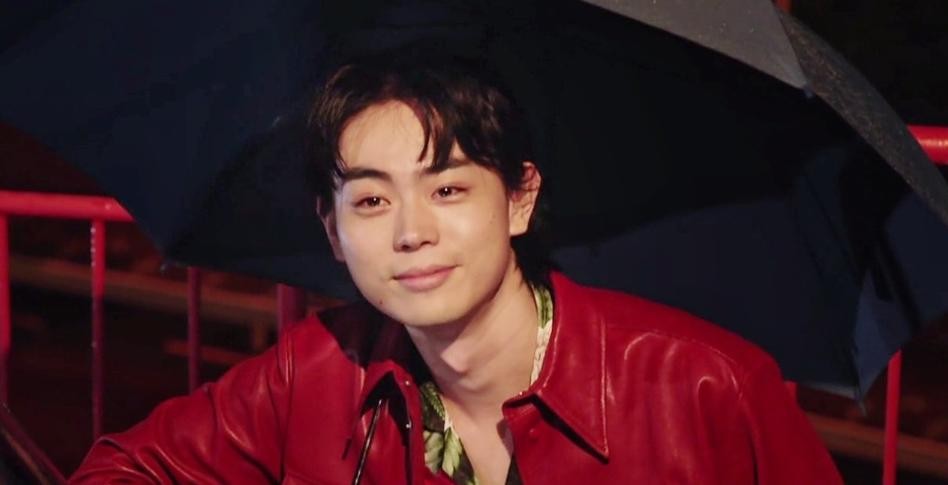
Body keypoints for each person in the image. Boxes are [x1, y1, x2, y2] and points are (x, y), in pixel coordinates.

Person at [71, 54, 844, 484]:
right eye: (371, 201)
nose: (412, 232)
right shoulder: (317, 371)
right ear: (332, 231)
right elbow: (121, 471)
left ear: (519, 198)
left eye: (447, 189)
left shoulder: (705, 388)